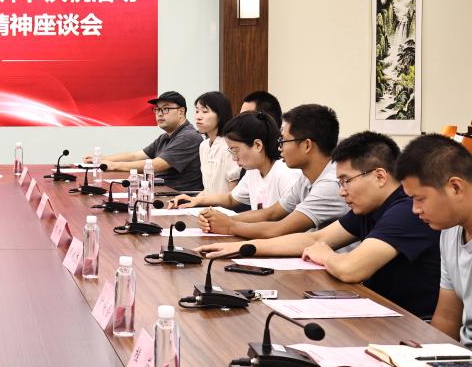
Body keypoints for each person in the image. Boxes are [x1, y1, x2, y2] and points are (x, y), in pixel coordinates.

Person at [198, 132, 441, 318]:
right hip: (380, 312)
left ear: (380, 176)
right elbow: (315, 238)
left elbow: (351, 269)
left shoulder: (406, 211)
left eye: (346, 181)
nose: (342, 191)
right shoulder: (369, 207)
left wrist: (325, 254)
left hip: (409, 321)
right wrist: (243, 248)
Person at [198, 103, 347, 238]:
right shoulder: (306, 178)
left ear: (307, 145)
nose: (280, 148)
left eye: (283, 141)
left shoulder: (330, 184)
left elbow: (278, 229)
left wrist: (229, 226)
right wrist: (222, 220)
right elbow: (271, 213)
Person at [395, 134, 472, 346]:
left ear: (455, 187)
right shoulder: (449, 232)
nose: (415, 210)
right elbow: (447, 318)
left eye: (420, 198)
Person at [172, 111, 300, 212]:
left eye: (235, 150)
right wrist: (197, 200)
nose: (234, 158)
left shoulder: (286, 174)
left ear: (257, 145)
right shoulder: (254, 171)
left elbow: (282, 223)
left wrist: (230, 223)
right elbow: (231, 198)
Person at [95, 91, 203, 192]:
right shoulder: (165, 137)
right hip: (160, 191)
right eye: (157, 109)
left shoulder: (189, 136)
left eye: (165, 109)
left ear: (181, 111)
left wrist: (113, 165)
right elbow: (136, 156)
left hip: (177, 196)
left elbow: (156, 165)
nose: (159, 114)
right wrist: (100, 159)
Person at [192, 91, 239, 195]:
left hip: (225, 204)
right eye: (197, 111)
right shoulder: (204, 146)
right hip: (209, 203)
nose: (198, 117)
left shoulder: (230, 145)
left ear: (220, 115)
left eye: (205, 111)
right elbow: (208, 190)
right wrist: (191, 200)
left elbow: (233, 194)